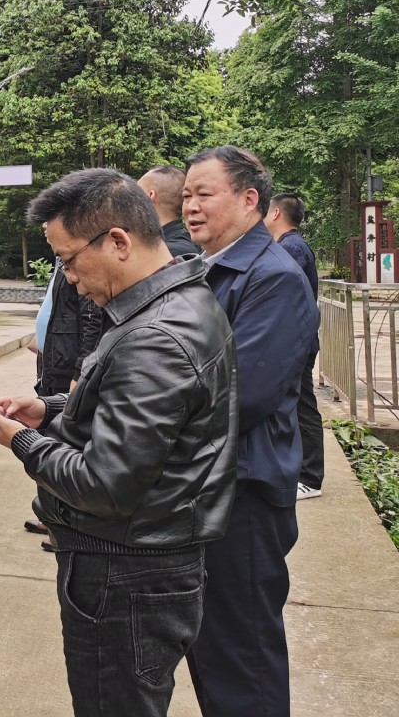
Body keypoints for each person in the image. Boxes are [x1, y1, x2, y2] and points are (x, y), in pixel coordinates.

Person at [0, 168, 237, 717]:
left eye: (68, 260)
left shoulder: (155, 338)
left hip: (125, 573)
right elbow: (142, 417)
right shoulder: (177, 304)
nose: (69, 279)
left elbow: (104, 484)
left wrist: (24, 441)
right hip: (144, 559)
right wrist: (51, 409)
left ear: (118, 241)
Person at [181, 146, 319, 717]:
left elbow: (244, 395)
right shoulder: (205, 268)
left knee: (244, 661)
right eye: (186, 195)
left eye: (203, 194)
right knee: (212, 650)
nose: (190, 206)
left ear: (248, 199)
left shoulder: (273, 278)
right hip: (209, 486)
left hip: (245, 494)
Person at [24, 254, 103, 549]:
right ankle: (50, 516)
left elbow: (92, 321)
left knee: (63, 444)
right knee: (49, 437)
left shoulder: (79, 257)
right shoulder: (60, 259)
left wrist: (80, 372)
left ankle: (62, 524)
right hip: (52, 364)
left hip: (67, 371)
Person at [264, 192, 323, 500]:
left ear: (275, 214)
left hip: (297, 343)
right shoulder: (288, 246)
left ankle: (311, 478)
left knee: (303, 407)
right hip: (295, 341)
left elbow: (287, 297)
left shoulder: (292, 248)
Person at [138, 165, 200, 257]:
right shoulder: (170, 244)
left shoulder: (170, 253)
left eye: (136, 194)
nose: (132, 202)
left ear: (150, 196)